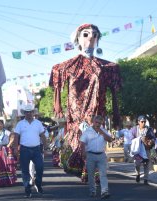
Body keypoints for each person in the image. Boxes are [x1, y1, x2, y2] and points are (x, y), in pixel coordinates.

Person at [49, 23, 122, 181]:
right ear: (78, 39)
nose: (91, 36)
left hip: (97, 112)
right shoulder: (70, 66)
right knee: (82, 141)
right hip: (77, 112)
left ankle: (92, 172)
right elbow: (56, 72)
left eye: (95, 34)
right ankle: (85, 169)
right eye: (86, 34)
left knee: (95, 142)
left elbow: (114, 90)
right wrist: (58, 104)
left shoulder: (107, 67)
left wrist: (117, 113)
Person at [13, 104, 47, 198]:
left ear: (33, 113)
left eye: (30, 112)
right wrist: (16, 148)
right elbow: (16, 136)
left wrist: (46, 147)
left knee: (40, 167)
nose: (29, 113)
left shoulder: (38, 123)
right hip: (24, 149)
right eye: (27, 112)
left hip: (36, 149)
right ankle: (27, 188)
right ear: (24, 113)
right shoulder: (20, 124)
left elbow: (42, 136)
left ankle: (38, 184)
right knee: (25, 170)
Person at [80, 115, 112, 199]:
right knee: (91, 174)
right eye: (96, 122)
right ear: (93, 122)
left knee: (103, 174)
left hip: (101, 155)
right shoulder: (87, 131)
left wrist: (101, 132)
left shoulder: (103, 131)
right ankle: (92, 190)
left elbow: (110, 139)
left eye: (99, 123)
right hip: (90, 154)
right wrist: (83, 152)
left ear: (101, 123)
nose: (97, 124)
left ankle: (104, 191)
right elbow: (82, 142)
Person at [130, 115, 155, 185]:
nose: (143, 123)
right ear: (138, 122)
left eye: (144, 121)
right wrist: (140, 139)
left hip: (146, 149)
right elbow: (131, 139)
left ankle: (146, 179)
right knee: (137, 164)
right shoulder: (134, 129)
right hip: (138, 150)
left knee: (147, 163)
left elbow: (153, 138)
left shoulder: (149, 129)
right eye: (142, 122)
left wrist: (151, 141)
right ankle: (137, 173)